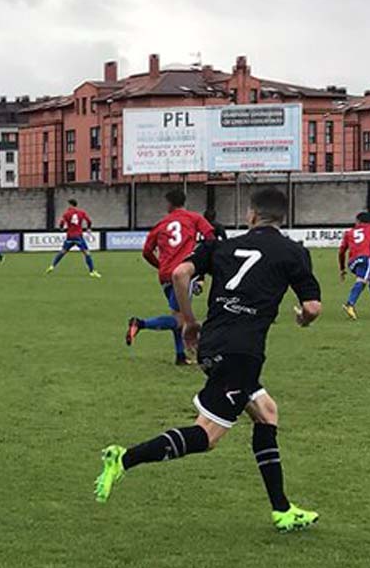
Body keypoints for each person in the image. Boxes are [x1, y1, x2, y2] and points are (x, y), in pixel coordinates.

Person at [94, 186, 324, 532]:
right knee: (208, 436)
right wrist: (302, 319)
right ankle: (123, 458)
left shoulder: (223, 246)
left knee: (267, 412)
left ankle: (282, 510)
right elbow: (312, 307)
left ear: (250, 215)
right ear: (283, 217)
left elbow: (179, 274)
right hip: (241, 353)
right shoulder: (293, 252)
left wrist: (188, 321)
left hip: (213, 343)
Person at [126, 190, 215, 366]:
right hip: (183, 274)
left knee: (177, 315)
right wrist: (202, 262)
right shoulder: (194, 218)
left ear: (169, 204)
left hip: (165, 275)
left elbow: (146, 252)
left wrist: (160, 266)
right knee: (180, 319)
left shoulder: (161, 224)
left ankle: (180, 356)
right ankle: (140, 323)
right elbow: (211, 238)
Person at [48, 199, 99, 277]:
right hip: (78, 236)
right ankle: (92, 271)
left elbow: (62, 222)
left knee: (63, 252)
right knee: (87, 253)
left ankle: (52, 266)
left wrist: (61, 228)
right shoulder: (81, 212)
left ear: (71, 205)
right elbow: (89, 221)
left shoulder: (66, 213)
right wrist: (88, 228)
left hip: (70, 236)